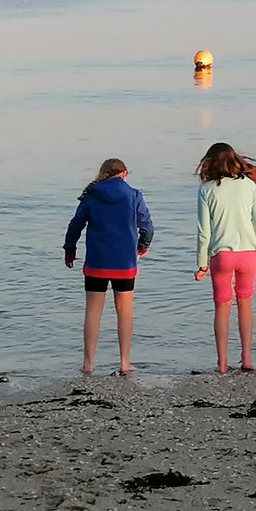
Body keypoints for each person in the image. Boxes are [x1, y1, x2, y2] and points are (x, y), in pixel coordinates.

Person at [63, 158, 155, 375]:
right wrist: (142, 247)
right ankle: (124, 362)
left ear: (103, 173)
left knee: (93, 312)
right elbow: (148, 227)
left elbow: (75, 224)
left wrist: (70, 249)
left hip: (97, 261)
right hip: (125, 262)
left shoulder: (92, 194)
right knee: (125, 311)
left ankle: (88, 364)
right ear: (124, 174)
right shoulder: (134, 195)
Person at [193, 142, 256, 374]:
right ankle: (247, 359)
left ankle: (222, 363)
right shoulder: (248, 186)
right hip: (249, 253)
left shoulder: (206, 190)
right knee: (245, 304)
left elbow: (203, 231)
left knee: (222, 307)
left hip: (221, 255)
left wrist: (202, 264)